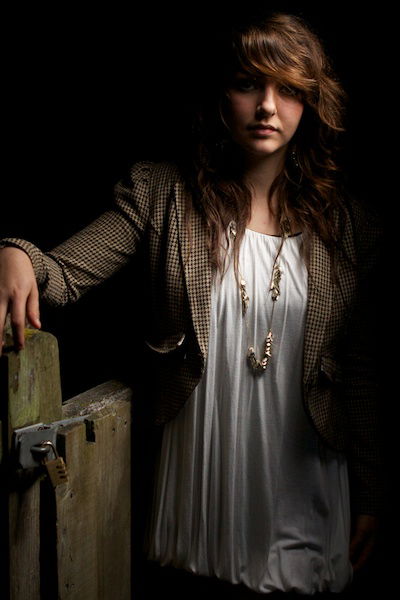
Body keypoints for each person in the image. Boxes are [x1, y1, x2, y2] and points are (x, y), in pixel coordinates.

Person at [0, 11, 383, 599]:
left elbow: (358, 369)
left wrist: (370, 490)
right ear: (219, 96)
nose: (267, 106)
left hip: (306, 483)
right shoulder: (163, 196)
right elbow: (64, 273)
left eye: (288, 89)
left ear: (310, 103)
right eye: (248, 83)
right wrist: (17, 254)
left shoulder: (345, 224)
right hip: (200, 487)